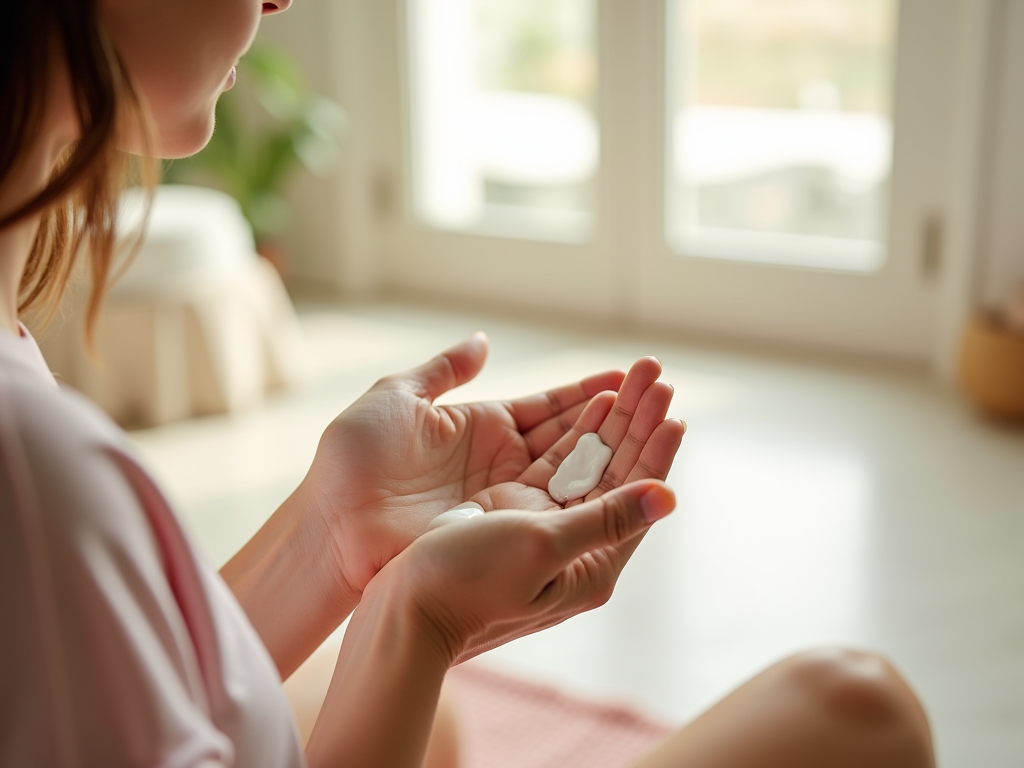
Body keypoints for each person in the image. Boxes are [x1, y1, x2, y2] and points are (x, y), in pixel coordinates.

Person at [0, 1, 936, 767]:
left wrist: (331, 534)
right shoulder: (37, 465)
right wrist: (417, 622)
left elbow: (116, 681)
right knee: (857, 706)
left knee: (433, 727)